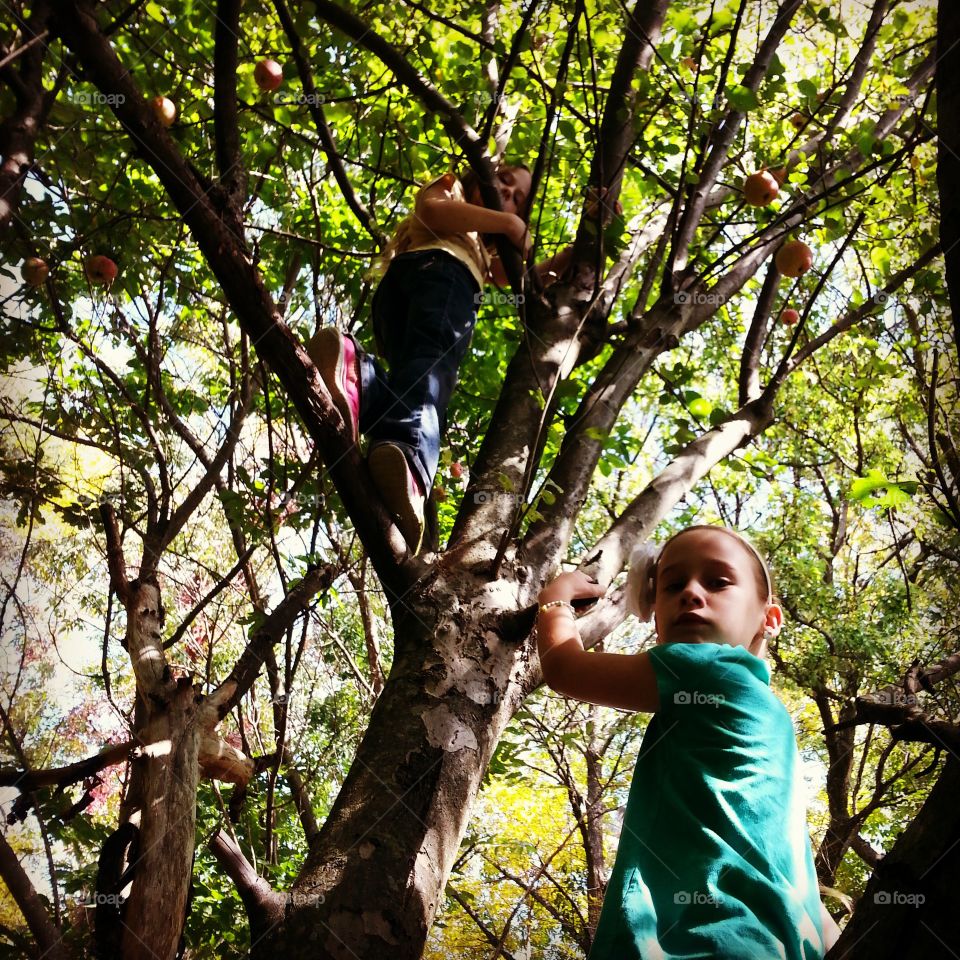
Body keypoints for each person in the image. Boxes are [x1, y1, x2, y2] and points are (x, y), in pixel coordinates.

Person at [536, 524, 842, 959]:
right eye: (673, 585)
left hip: (700, 941)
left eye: (718, 582)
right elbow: (789, 874)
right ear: (654, 613)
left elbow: (564, 668)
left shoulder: (707, 668)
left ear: (768, 618)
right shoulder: (773, 721)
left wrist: (556, 599)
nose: (692, 593)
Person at [308, 163, 574, 554]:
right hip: (444, 279)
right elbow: (432, 211)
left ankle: (356, 374)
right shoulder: (455, 194)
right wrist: (510, 223)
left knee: (412, 379)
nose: (507, 196)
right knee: (433, 370)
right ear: (484, 174)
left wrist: (569, 255)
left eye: (517, 200)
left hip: (400, 296)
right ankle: (410, 459)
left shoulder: (481, 247)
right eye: (504, 182)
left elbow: (512, 277)